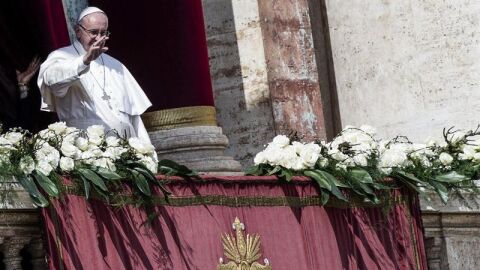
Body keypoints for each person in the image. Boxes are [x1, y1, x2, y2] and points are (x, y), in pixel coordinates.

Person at [37, 7, 152, 142]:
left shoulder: (116, 65)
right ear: (78, 31)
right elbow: (53, 81)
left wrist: (148, 153)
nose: (98, 38)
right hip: (85, 147)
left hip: (125, 147)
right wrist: (84, 61)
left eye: (103, 33)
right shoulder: (61, 57)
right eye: (93, 32)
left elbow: (133, 117)